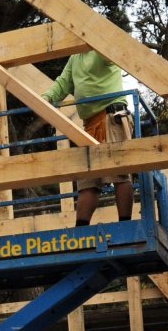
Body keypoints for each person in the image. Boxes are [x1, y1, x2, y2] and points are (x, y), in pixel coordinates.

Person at [41, 50, 133, 224]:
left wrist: (95, 36)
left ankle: (125, 224)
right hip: (89, 125)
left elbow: (112, 52)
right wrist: (46, 98)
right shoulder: (75, 57)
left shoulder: (99, 48)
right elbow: (63, 83)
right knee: (88, 182)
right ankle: (81, 232)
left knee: (119, 175)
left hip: (111, 115)